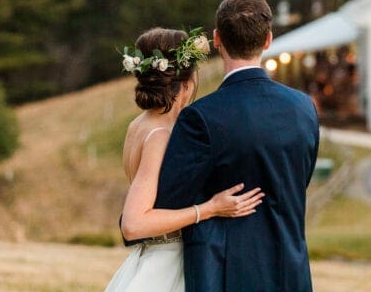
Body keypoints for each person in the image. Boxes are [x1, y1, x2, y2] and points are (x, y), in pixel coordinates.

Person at [155, 0, 320, 292]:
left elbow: (168, 203)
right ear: (268, 39)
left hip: (223, 275)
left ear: (217, 39)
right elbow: (297, 181)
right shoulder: (303, 108)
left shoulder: (200, 117)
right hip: (290, 273)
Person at [104, 27, 264, 292]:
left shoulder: (138, 125)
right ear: (187, 84)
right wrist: (210, 208)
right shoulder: (160, 134)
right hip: (165, 266)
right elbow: (134, 224)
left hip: (149, 258)